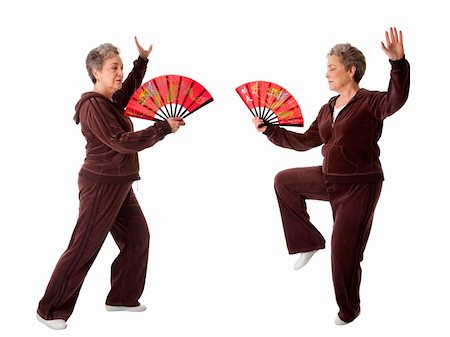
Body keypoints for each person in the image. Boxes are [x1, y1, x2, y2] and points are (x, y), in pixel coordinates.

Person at [252, 27, 410, 325]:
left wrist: (398, 64)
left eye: (332, 68)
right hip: (328, 178)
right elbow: (305, 141)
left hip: (359, 187)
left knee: (343, 254)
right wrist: (270, 130)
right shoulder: (327, 109)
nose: (326, 74)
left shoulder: (371, 102)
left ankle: (349, 311)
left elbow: (396, 99)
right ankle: (308, 240)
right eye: (326, 69)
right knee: (284, 180)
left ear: (350, 70)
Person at [36, 37, 186, 330]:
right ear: (96, 73)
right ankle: (49, 309)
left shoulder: (110, 101)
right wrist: (162, 128)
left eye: (120, 67)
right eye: (113, 68)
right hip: (102, 185)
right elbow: (121, 142)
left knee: (137, 238)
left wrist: (141, 60)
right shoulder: (94, 106)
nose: (119, 73)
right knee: (83, 247)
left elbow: (129, 89)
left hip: (121, 183)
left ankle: (122, 297)